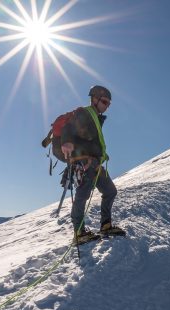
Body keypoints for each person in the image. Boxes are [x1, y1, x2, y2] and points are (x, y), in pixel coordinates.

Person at [61, 85, 125, 244]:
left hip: (95, 162)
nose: (106, 106)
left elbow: (89, 139)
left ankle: (105, 225)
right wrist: (67, 142)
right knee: (83, 195)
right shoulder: (84, 112)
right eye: (104, 101)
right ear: (94, 99)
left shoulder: (95, 118)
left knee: (110, 191)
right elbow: (68, 127)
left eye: (108, 103)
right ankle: (79, 233)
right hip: (85, 162)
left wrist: (101, 154)